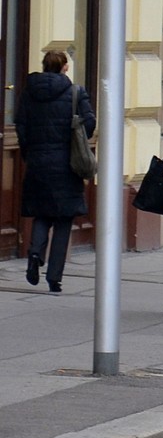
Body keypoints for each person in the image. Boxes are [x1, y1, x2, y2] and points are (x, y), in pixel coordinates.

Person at [15, 50, 96, 294]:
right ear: (65, 67)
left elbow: (21, 125)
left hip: (38, 162)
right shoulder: (75, 93)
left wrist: (30, 153)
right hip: (67, 163)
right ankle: (54, 278)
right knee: (63, 219)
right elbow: (89, 124)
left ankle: (35, 253)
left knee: (42, 213)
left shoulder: (29, 91)